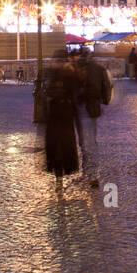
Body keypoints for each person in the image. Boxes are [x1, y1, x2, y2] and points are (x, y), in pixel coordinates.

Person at [43, 50, 81, 190]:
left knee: (57, 143)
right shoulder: (68, 74)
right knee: (62, 143)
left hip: (58, 113)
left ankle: (58, 170)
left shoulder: (55, 74)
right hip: (64, 113)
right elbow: (75, 93)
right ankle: (60, 169)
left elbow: (47, 92)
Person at [74, 49, 112, 187]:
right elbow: (107, 86)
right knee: (91, 141)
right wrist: (104, 100)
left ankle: (87, 171)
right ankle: (92, 174)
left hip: (80, 107)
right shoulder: (99, 68)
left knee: (83, 141)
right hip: (93, 107)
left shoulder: (76, 67)